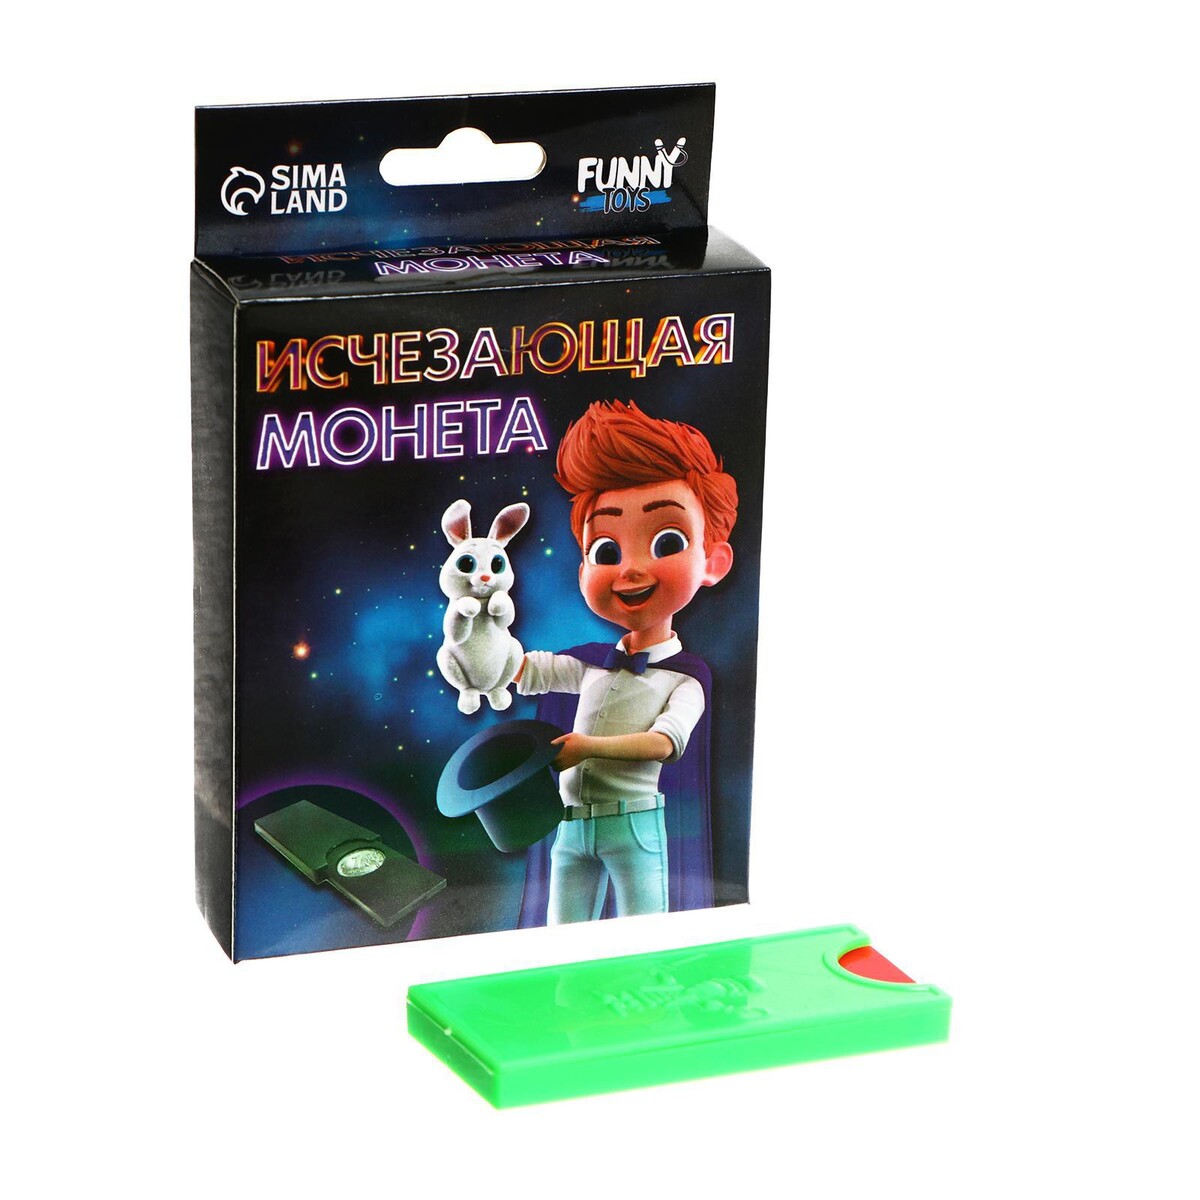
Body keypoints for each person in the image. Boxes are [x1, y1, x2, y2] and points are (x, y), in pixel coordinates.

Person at [515, 400, 737, 923]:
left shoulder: (687, 679)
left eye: (666, 541)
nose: (631, 569)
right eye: (607, 551)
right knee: (562, 937)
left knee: (644, 932)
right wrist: (475, 624)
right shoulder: (591, 664)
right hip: (572, 825)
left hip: (633, 824)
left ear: (712, 561)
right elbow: (520, 669)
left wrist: (587, 747)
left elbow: (665, 743)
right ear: (583, 571)